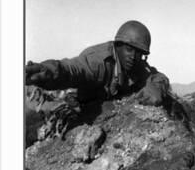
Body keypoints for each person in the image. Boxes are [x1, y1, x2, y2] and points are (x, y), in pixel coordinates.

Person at [25, 20, 170, 106]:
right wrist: (48, 72)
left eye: (139, 53)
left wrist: (156, 88)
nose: (133, 57)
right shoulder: (98, 61)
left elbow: (158, 77)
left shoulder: (136, 64)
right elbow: (72, 69)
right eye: (128, 49)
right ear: (117, 45)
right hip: (80, 105)